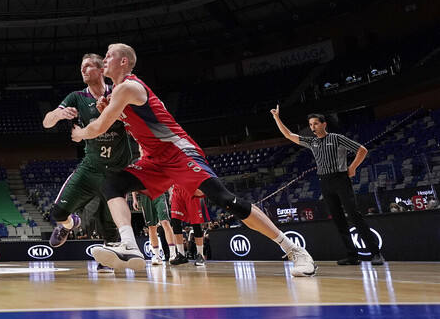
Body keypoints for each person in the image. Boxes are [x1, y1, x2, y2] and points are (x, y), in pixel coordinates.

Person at [75, 43, 316, 276]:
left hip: (178, 152)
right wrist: (112, 110)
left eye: (108, 56)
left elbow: (98, 128)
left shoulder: (128, 87)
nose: (104, 60)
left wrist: (80, 133)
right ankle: (128, 245)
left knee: (226, 200)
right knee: (112, 183)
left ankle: (294, 250)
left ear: (123, 61)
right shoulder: (119, 94)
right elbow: (133, 123)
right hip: (155, 159)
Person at [42, 53, 136, 273]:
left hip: (116, 171)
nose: (82, 70)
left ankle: (108, 260)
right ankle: (70, 224)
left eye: (87, 66)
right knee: (57, 213)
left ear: (101, 69)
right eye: (81, 67)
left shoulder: (118, 93)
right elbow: (47, 122)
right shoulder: (76, 97)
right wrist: (58, 115)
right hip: (91, 167)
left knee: (109, 226)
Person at [271, 107, 384, 265]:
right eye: (310, 124)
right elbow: (289, 135)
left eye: (316, 123)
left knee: (354, 216)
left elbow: (362, 150)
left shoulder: (337, 138)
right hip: (325, 181)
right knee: (338, 220)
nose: (312, 127)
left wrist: (352, 168)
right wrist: (277, 118)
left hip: (340, 179)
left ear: (324, 124)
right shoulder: (312, 141)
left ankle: (376, 253)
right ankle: (352, 255)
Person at [132, 191, 179, 266]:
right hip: (145, 196)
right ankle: (156, 256)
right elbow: (135, 183)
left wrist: (170, 193)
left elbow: (167, 179)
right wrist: (134, 199)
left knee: (165, 222)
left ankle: (173, 254)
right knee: (151, 226)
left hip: (158, 193)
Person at [169, 184, 208, 266]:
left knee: (196, 223)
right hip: (177, 190)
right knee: (175, 221)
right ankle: (181, 254)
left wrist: (202, 187)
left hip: (192, 189)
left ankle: (200, 255)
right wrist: (170, 193)